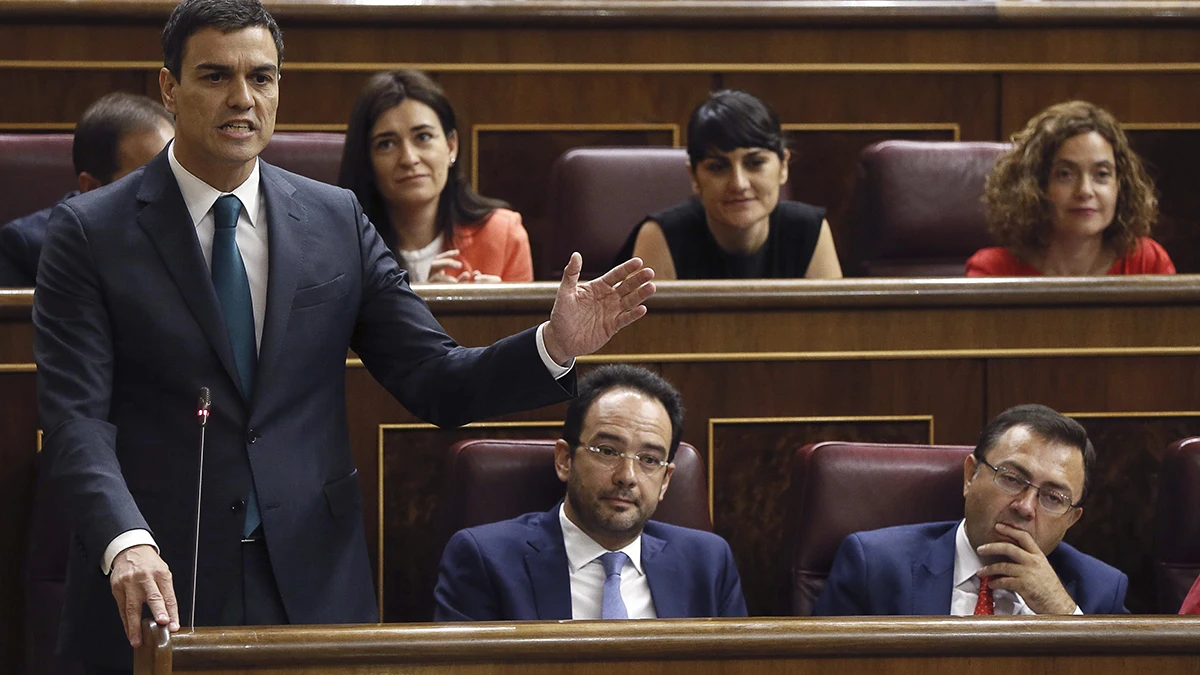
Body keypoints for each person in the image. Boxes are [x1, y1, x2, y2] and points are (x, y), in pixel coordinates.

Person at [32, 0, 655, 671]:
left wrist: (553, 344)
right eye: (216, 76)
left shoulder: (336, 218)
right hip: (155, 573)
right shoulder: (90, 232)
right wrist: (124, 539)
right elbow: (76, 421)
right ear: (168, 87)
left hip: (311, 580)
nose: (243, 98)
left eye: (262, 78)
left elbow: (433, 378)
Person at [433, 365, 747, 621]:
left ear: (665, 480)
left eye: (649, 460)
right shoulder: (485, 560)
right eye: (607, 451)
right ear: (565, 460)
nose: (627, 476)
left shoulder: (707, 562)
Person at [814, 404, 1129, 616]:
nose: (1025, 507)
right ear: (970, 476)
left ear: (1072, 519)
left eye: (1053, 498)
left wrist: (1064, 617)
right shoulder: (876, 567)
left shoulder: (1100, 591)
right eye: (1011, 479)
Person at [619, 89, 841, 280]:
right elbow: (645, 330)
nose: (739, 183)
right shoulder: (662, 237)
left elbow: (832, 328)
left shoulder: (810, 230)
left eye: (755, 163)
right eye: (718, 167)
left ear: (783, 167)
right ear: (694, 177)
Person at [338, 69, 532, 283]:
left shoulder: (502, 235)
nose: (409, 158)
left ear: (451, 146)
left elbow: (524, 318)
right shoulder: (343, 247)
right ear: (367, 159)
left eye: (423, 137)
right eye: (387, 144)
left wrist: (486, 314)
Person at [967, 100, 1174, 276]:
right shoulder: (994, 271)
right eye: (1065, 174)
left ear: (1120, 186)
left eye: (1101, 175)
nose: (1085, 190)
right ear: (1035, 185)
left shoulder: (1148, 264)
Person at [0, 92, 174, 286]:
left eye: (172, 176)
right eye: (148, 181)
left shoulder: (197, 232)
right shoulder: (25, 248)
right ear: (91, 188)